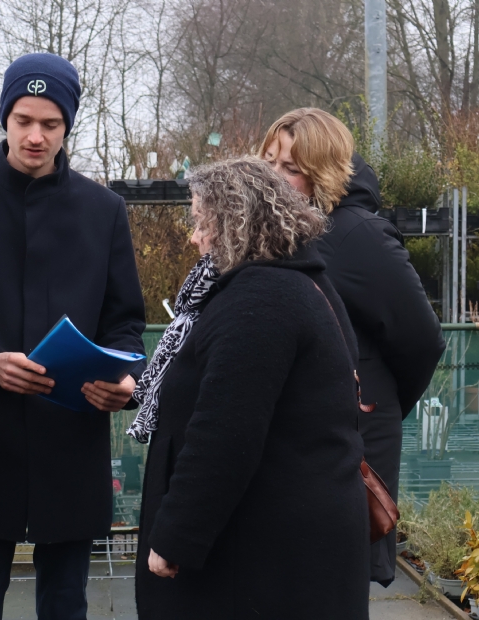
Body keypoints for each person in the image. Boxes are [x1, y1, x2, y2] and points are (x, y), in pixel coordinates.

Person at [0, 53, 147, 620]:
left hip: (71, 438)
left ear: (68, 125)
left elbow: (126, 319)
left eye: (51, 124)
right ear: (5, 119)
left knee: (65, 602)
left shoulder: (103, 210)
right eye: (23, 121)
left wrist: (124, 378)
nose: (35, 136)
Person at [130, 157, 369, 619]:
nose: (194, 237)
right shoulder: (300, 284)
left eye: (201, 222)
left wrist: (177, 536)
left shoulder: (260, 301)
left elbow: (225, 432)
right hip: (291, 545)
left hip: (260, 556)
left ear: (235, 223)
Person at [260, 107, 445, 586]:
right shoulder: (280, 234)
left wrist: (379, 404)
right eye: (270, 163)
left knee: (334, 578)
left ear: (322, 173)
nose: (276, 179)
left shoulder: (353, 234)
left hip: (352, 435)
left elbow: (421, 338)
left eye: (292, 169)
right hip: (296, 430)